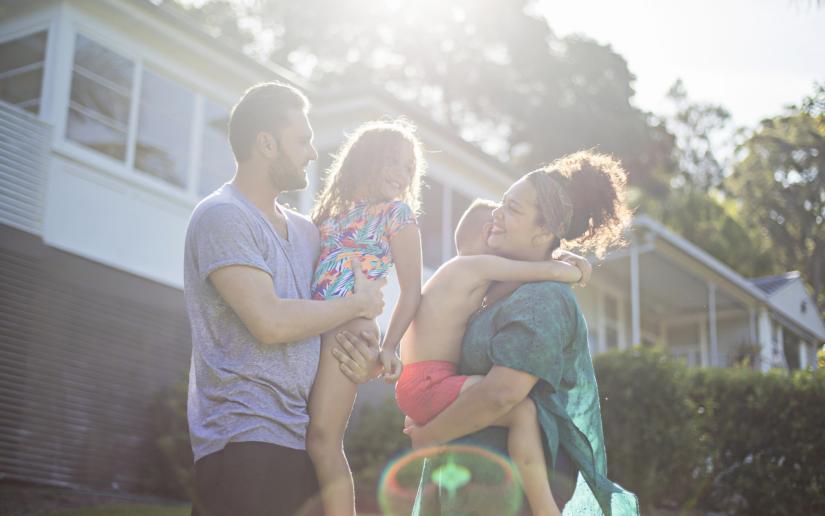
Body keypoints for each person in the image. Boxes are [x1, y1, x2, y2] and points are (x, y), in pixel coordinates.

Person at [183, 82, 385, 516]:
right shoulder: (223, 216)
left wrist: (367, 353)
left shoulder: (309, 233)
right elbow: (270, 322)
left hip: (302, 442)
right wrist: (358, 305)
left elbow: (329, 315)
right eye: (303, 140)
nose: (312, 153)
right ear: (266, 144)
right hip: (244, 441)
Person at [404, 151, 640, 515]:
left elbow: (502, 394)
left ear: (544, 231)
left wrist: (427, 436)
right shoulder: (493, 286)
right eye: (502, 203)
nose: (496, 215)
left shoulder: (541, 298)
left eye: (512, 210)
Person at [395, 198, 592, 516]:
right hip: (431, 381)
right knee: (522, 412)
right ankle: (546, 509)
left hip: (420, 381)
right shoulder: (475, 267)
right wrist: (576, 269)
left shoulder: (463, 280)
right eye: (501, 223)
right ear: (490, 232)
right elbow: (539, 270)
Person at [307, 120, 424, 516]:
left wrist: (389, 346)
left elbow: (411, 290)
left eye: (408, 167)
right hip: (310, 325)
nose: (401, 173)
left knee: (323, 438)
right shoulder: (328, 213)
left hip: (349, 332)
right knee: (300, 435)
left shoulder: (397, 215)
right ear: (365, 159)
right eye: (392, 161)